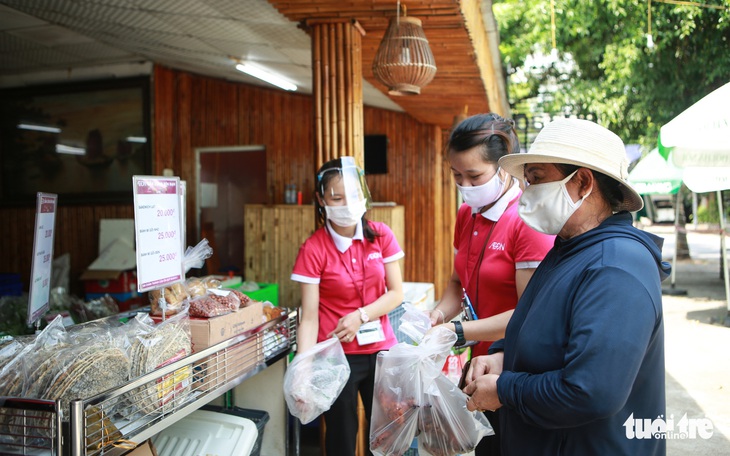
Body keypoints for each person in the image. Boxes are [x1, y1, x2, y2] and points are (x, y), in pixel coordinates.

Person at [462, 118, 670, 455]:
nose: (527, 193)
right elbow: (540, 320)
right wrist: (502, 353)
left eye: (538, 179)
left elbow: (591, 391)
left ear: (583, 182)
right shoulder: (570, 247)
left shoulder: (616, 266)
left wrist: (505, 390)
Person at [428, 113, 555, 455]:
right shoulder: (467, 214)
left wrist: (457, 333)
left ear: (503, 169)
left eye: (474, 176)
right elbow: (458, 282)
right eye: (457, 176)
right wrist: (438, 314)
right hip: (478, 366)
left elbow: (531, 315)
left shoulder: (525, 221)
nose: (465, 186)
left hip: (513, 372)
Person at [291, 156, 404, 456]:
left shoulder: (380, 235)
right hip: (335, 358)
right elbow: (309, 319)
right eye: (336, 197)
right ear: (321, 199)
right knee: (341, 437)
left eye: (353, 195)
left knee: (385, 435)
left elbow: (396, 294)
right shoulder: (313, 248)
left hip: (381, 352)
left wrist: (360, 316)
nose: (346, 204)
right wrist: (302, 370)